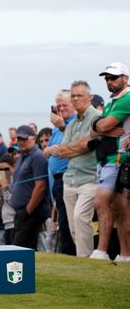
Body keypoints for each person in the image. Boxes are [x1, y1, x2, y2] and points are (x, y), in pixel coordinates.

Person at [45, 80, 101, 257]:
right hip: (70, 179)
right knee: (73, 227)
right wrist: (74, 147)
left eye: (79, 96)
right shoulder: (72, 124)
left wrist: (72, 148)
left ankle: (87, 262)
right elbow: (64, 149)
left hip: (90, 178)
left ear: (89, 97)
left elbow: (86, 146)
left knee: (80, 219)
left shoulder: (97, 117)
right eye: (74, 96)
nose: (76, 99)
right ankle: (84, 259)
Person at [89, 62, 130, 261]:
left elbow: (103, 124)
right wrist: (99, 126)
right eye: (107, 78)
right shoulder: (114, 100)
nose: (109, 81)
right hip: (108, 158)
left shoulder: (127, 98)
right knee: (119, 209)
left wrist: (101, 126)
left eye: (113, 77)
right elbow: (95, 129)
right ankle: (125, 255)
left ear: (125, 78)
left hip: (118, 159)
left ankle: (101, 251)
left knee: (100, 201)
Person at [43, 89, 77, 255]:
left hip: (68, 177)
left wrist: (61, 126)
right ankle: (66, 253)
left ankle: (70, 254)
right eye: (58, 105)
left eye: (65, 104)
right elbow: (45, 152)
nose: (61, 108)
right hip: (56, 181)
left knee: (67, 222)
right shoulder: (57, 127)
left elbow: (76, 143)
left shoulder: (74, 122)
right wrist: (49, 149)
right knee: (61, 222)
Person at [11, 125, 51, 250]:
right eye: (19, 139)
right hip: (21, 212)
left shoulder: (38, 157)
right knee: (28, 249)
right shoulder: (22, 156)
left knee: (19, 249)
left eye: (24, 139)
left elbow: (40, 187)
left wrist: (28, 210)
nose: (21, 142)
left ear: (33, 139)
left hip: (31, 213)